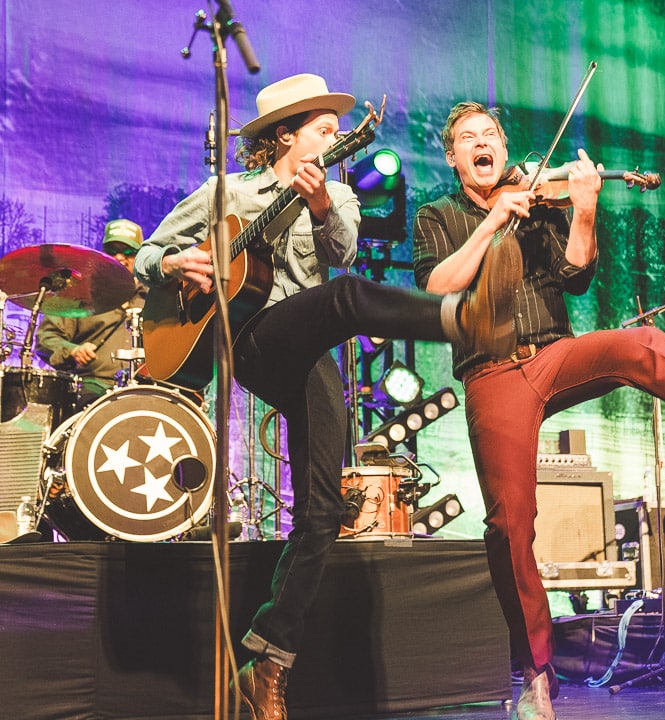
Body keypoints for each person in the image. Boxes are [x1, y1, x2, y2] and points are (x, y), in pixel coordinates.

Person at [412, 101, 665, 720]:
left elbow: (575, 273)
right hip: (491, 374)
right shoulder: (437, 215)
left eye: (490, 134)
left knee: (640, 345)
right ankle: (536, 676)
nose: (481, 143)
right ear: (453, 156)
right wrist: (492, 222)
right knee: (510, 526)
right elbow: (438, 287)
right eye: (468, 138)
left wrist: (585, 209)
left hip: (553, 353)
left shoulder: (535, 203)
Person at [134, 74, 513, 720]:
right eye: (324, 131)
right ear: (286, 135)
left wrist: (316, 208)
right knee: (344, 301)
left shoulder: (336, 192)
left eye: (338, 134)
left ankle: (267, 660)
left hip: (308, 349)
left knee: (322, 511)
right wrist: (174, 266)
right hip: (252, 339)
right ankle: (457, 317)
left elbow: (341, 251)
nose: (334, 140)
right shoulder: (227, 193)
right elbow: (148, 253)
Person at [36, 218, 147, 409]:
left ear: (140, 255)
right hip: (93, 388)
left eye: (128, 252)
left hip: (146, 389)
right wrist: (72, 350)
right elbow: (46, 338)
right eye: (112, 251)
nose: (120, 257)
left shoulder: (153, 296)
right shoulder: (80, 293)